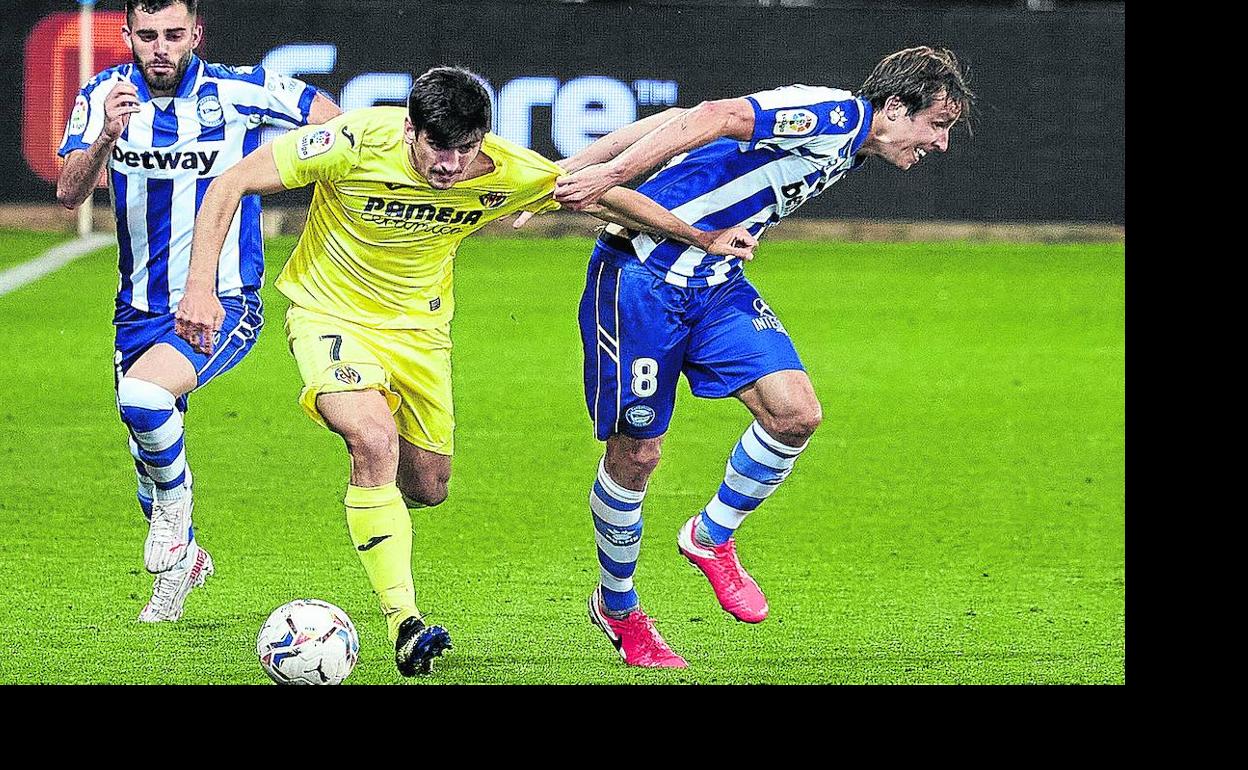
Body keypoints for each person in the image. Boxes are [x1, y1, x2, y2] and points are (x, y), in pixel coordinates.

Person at [174, 66, 756, 676]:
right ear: (410, 129)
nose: (451, 165)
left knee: (426, 487)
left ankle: (376, 499)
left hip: (420, 336)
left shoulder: (505, 170)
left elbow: (601, 195)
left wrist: (701, 235)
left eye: (465, 148)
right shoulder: (353, 141)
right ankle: (405, 622)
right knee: (371, 439)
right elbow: (231, 182)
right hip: (329, 315)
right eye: (437, 147)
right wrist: (199, 287)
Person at [552, 46, 975, 667]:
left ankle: (710, 538)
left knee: (795, 413)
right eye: (937, 124)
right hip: (638, 280)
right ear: (893, 107)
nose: (940, 143)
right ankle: (618, 608)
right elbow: (716, 114)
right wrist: (605, 176)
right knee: (636, 455)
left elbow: (673, 116)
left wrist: (581, 166)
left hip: (716, 278)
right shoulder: (831, 115)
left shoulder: (852, 145)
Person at [55, 0, 340, 623]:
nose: (160, 47)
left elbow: (336, 124)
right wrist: (105, 133)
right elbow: (69, 192)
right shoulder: (105, 92)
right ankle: (184, 562)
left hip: (222, 301)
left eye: (173, 34)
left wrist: (294, 173)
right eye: (148, 35)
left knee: (143, 402)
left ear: (196, 34)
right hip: (136, 307)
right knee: (146, 453)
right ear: (128, 34)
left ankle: (179, 516)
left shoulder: (242, 89)